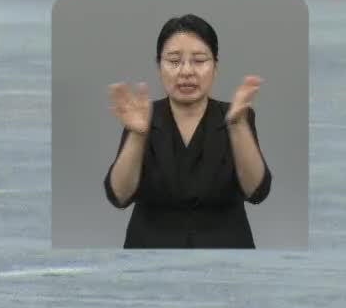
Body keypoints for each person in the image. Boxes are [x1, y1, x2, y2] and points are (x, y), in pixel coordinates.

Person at [102, 14, 271, 248]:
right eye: (174, 61)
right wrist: (137, 135)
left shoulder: (237, 116)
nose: (186, 71)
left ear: (215, 67)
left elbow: (257, 192)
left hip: (226, 256)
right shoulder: (141, 116)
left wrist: (237, 126)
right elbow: (119, 196)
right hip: (151, 255)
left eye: (199, 61)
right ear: (159, 67)